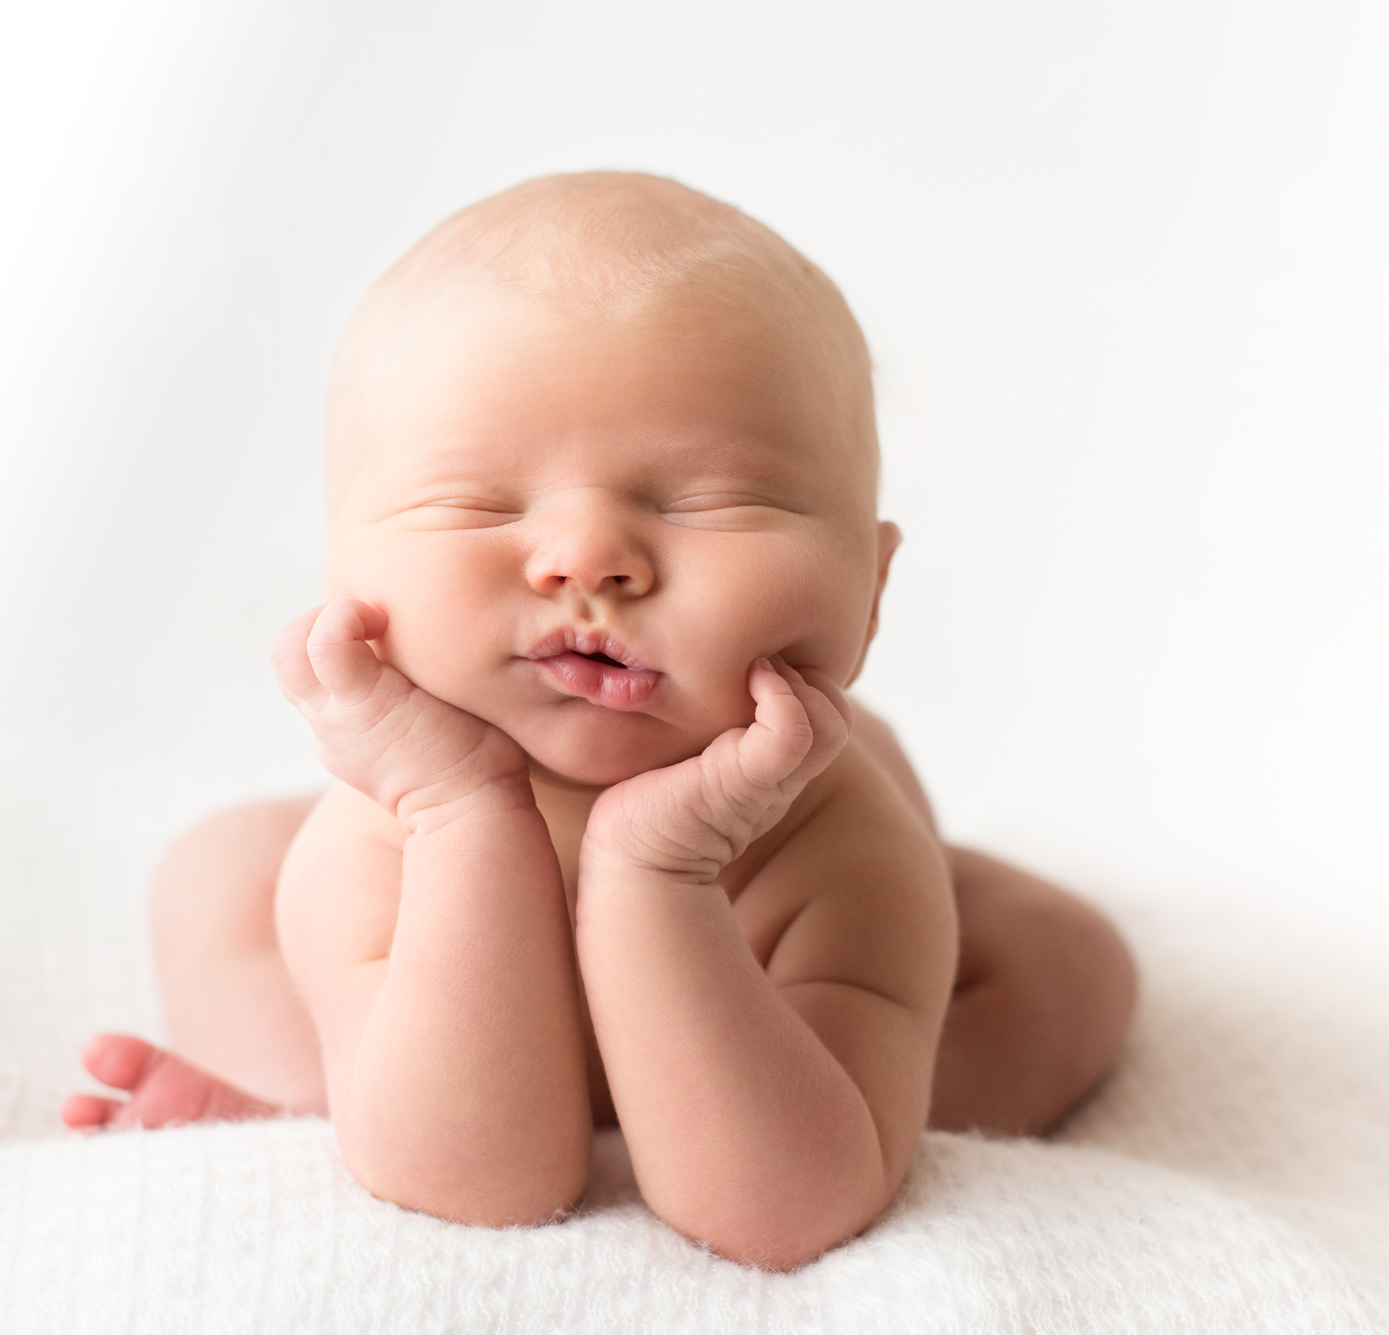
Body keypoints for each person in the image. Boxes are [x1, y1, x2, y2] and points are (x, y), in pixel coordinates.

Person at [61, 172, 1136, 1270]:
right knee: (219, 872)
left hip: (786, 936)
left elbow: (776, 1215)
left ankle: (872, 1098)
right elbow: (482, 1187)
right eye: (479, 503)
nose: (584, 558)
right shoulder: (374, 839)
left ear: (868, 589)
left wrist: (656, 871)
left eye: (706, 501)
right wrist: (458, 812)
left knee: (1065, 956)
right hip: (420, 891)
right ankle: (310, 1098)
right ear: (340, 560)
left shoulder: (842, 851)